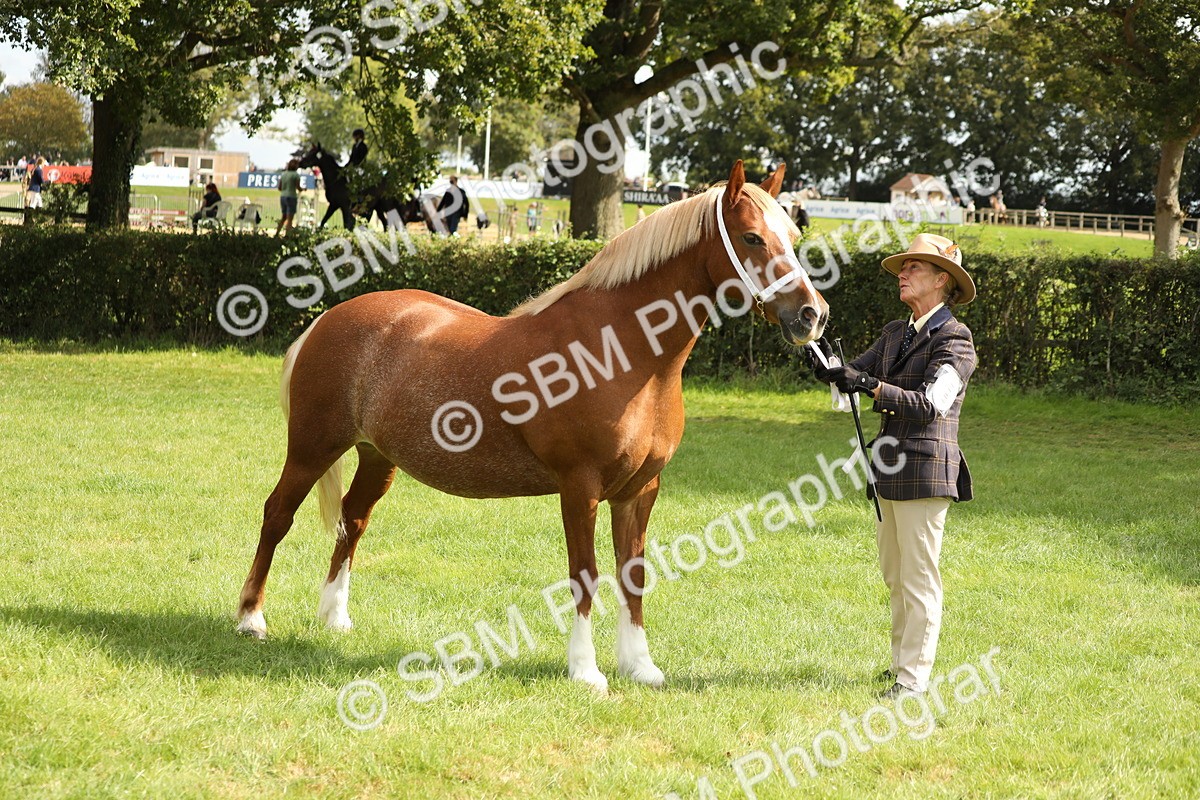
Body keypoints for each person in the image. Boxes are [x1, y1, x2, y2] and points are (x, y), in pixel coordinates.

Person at [807, 232, 977, 700]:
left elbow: (928, 405)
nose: (902, 273)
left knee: (919, 578)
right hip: (888, 470)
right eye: (903, 267)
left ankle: (914, 680)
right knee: (895, 574)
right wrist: (826, 364)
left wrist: (867, 383)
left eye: (914, 267)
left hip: (926, 470)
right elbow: (850, 379)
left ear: (942, 281)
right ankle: (902, 664)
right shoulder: (893, 333)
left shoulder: (956, 341)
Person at [276, 159, 301, 236]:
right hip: (291, 197)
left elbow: (279, 188)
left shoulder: (283, 174)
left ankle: (277, 234)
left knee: (283, 217)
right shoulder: (296, 175)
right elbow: (298, 187)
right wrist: (303, 189)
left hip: (283, 197)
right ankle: (287, 236)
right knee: (290, 219)